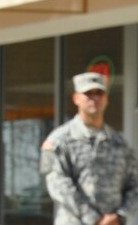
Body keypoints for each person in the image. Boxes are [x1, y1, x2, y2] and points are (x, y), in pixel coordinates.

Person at [41, 71, 138, 225]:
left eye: (99, 93)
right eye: (88, 93)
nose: (95, 99)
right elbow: (57, 183)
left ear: (106, 98)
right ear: (76, 98)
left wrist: (119, 216)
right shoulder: (60, 140)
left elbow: (134, 185)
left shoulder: (119, 143)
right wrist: (94, 219)